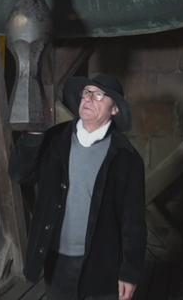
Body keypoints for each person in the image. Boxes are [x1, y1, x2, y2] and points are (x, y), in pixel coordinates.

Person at [10, 74, 147, 300]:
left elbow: (133, 222)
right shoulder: (53, 139)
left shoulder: (127, 159)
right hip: (57, 260)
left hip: (102, 264)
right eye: (86, 92)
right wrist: (34, 135)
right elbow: (19, 173)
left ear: (115, 110)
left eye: (99, 95)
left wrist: (130, 273)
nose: (89, 98)